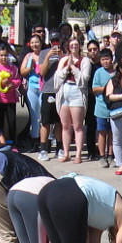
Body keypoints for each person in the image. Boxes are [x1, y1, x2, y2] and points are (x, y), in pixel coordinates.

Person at [54, 38, 91, 163]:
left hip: (77, 91)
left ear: (80, 46)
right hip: (64, 91)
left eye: (76, 44)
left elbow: (84, 78)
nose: (74, 46)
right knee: (65, 125)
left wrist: (73, 68)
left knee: (78, 126)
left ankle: (78, 154)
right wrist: (67, 67)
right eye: (71, 45)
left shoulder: (85, 60)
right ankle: (66, 153)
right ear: (68, 47)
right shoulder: (64, 59)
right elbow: (57, 77)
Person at [37, 32, 63, 161]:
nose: (55, 43)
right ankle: (43, 149)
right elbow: (42, 72)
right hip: (48, 90)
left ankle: (60, 148)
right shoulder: (43, 53)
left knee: (60, 122)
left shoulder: (65, 52)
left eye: (57, 40)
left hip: (61, 90)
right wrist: (48, 56)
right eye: (53, 40)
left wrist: (62, 56)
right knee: (45, 121)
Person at [0, 44, 22, 142]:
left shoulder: (13, 68)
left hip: (11, 99)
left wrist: (12, 83)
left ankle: (13, 142)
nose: (4, 57)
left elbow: (18, 80)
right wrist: (0, 83)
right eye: (1, 55)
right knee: (0, 122)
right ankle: (0, 141)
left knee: (12, 121)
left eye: (5, 55)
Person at [20, 35, 45, 150]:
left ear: (41, 43)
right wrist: (31, 67)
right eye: (32, 42)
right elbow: (22, 72)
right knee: (35, 116)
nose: (35, 44)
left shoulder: (46, 53)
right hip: (32, 88)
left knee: (44, 115)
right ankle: (35, 140)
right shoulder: (28, 56)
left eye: (37, 42)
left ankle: (46, 140)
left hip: (44, 88)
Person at [92, 48, 115, 168]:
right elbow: (94, 89)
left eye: (107, 59)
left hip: (115, 108)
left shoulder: (117, 72)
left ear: (112, 59)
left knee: (112, 133)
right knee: (102, 133)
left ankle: (111, 156)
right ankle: (102, 156)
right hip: (101, 107)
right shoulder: (98, 72)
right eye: (103, 59)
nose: (105, 62)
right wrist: (108, 87)